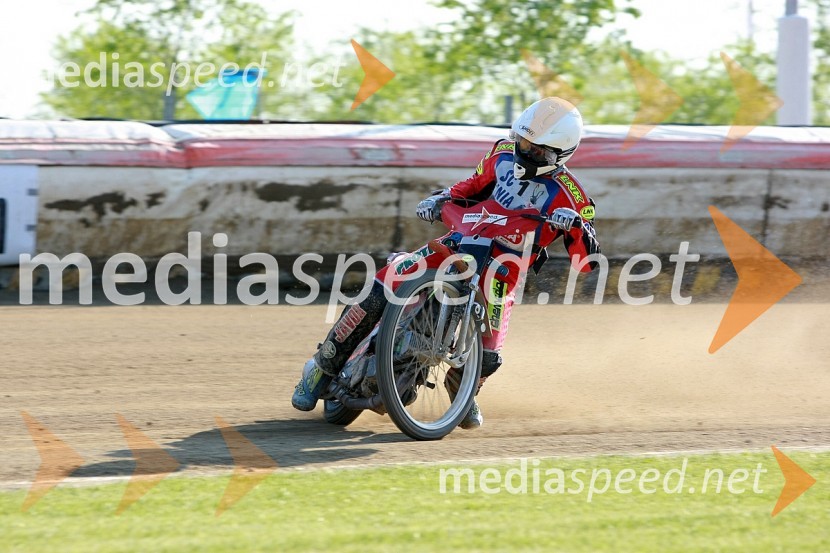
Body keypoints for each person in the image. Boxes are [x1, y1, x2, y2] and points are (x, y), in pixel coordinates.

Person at [291, 97, 601, 429]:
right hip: (458, 243)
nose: (524, 151)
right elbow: (468, 188)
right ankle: (320, 367)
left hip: (501, 273)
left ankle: (465, 390)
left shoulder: (573, 196)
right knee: (384, 284)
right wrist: (442, 198)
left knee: (491, 354)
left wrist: (577, 227)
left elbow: (586, 263)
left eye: (536, 149)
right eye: (522, 141)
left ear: (560, 153)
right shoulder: (500, 154)